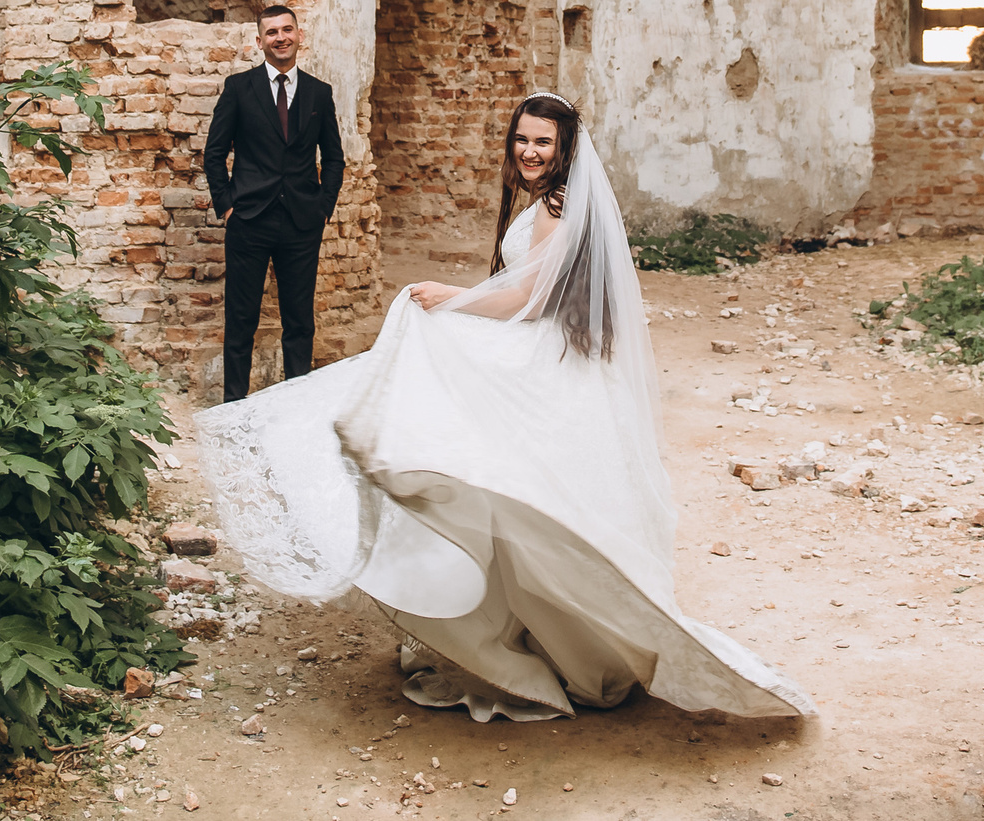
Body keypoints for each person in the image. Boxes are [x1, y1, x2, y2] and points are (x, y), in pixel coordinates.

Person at [196, 91, 811, 724]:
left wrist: (450, 300)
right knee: (519, 498)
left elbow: (531, 298)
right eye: (522, 139)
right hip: (563, 362)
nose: (529, 150)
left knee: (509, 491)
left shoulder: (555, 208)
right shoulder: (565, 203)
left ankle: (544, 641)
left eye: (542, 141)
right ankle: (545, 633)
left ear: (565, 147)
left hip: (545, 359)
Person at [204, 4, 346, 402]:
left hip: (302, 222)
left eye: (287, 30)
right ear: (259, 41)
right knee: (241, 318)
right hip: (249, 219)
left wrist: (323, 206)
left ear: (300, 36)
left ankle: (295, 404)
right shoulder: (238, 89)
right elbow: (214, 153)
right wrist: (227, 203)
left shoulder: (320, 92)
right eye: (272, 32)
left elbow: (333, 158)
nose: (280, 38)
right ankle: (234, 404)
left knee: (299, 320)